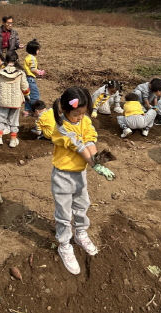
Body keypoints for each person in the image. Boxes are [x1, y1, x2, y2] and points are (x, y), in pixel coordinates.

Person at [50, 87, 116, 274]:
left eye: (83, 113)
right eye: (76, 114)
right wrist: (94, 165)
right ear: (64, 110)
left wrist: (97, 160)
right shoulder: (61, 128)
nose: (80, 117)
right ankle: (64, 243)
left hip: (79, 173)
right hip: (62, 175)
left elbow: (88, 141)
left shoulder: (85, 121)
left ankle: (80, 233)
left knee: (82, 204)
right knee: (63, 212)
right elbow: (78, 146)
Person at [0, 52, 30, 148]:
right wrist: (27, 95)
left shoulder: (0, 73)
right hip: (16, 101)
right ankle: (13, 140)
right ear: (16, 60)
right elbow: (25, 87)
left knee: (1, 119)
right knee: (14, 121)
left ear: (6, 60)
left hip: (3, 101)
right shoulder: (20, 73)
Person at [23, 39, 45, 115]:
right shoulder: (32, 58)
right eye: (38, 50)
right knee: (35, 94)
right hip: (30, 79)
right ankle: (36, 110)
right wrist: (39, 72)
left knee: (28, 95)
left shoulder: (27, 57)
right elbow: (32, 69)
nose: (39, 51)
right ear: (34, 50)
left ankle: (27, 110)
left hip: (26, 78)